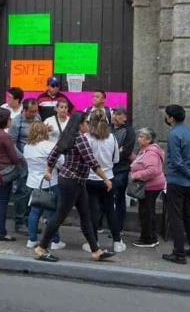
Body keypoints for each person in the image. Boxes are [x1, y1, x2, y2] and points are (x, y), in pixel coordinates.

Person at [33, 111, 115, 263]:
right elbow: (92, 162)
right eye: (86, 123)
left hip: (73, 181)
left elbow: (53, 155)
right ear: (79, 124)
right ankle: (41, 248)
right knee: (60, 215)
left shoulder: (67, 137)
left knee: (85, 215)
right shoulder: (80, 140)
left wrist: (49, 170)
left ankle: (96, 251)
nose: (88, 126)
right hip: (73, 183)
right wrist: (106, 180)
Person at [162, 104, 190, 265]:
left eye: (167, 116)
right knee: (187, 214)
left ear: (171, 118)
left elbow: (177, 162)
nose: (166, 118)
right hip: (189, 182)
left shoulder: (173, 134)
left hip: (177, 180)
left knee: (176, 217)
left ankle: (179, 253)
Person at [85, 109, 125, 252]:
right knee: (110, 210)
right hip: (108, 177)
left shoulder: (87, 138)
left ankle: (93, 242)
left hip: (90, 178)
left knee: (92, 211)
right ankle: (117, 242)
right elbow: (116, 159)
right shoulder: (112, 138)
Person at [24, 121, 65, 250]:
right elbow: (61, 161)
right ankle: (55, 240)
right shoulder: (49, 145)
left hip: (33, 182)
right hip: (49, 181)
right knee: (51, 213)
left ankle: (32, 239)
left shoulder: (27, 147)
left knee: (34, 211)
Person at [0, 107, 23, 241]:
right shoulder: (5, 136)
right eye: (9, 118)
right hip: (5, 171)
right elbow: (13, 157)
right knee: (3, 202)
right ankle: (1, 232)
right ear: (4, 120)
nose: (11, 120)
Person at [8, 98, 41, 234]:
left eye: (35, 111)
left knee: (34, 192)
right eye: (31, 112)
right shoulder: (16, 123)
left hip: (36, 161)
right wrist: (23, 157)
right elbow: (12, 144)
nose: (34, 114)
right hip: (23, 162)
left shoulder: (38, 118)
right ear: (24, 110)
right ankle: (19, 221)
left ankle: (30, 221)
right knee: (23, 191)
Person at [130, 127, 166, 248]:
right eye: (139, 136)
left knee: (147, 212)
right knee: (146, 211)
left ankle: (149, 239)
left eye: (141, 137)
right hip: (149, 185)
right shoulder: (146, 150)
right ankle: (147, 237)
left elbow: (152, 170)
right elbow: (141, 162)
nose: (138, 139)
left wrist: (135, 175)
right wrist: (131, 157)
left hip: (151, 186)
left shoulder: (150, 152)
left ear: (148, 139)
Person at [111, 105, 136, 230]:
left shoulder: (129, 131)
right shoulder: (109, 129)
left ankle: (118, 228)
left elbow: (125, 151)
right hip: (108, 170)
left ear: (124, 117)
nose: (114, 116)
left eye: (117, 113)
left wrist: (114, 154)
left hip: (121, 169)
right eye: (114, 113)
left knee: (119, 198)